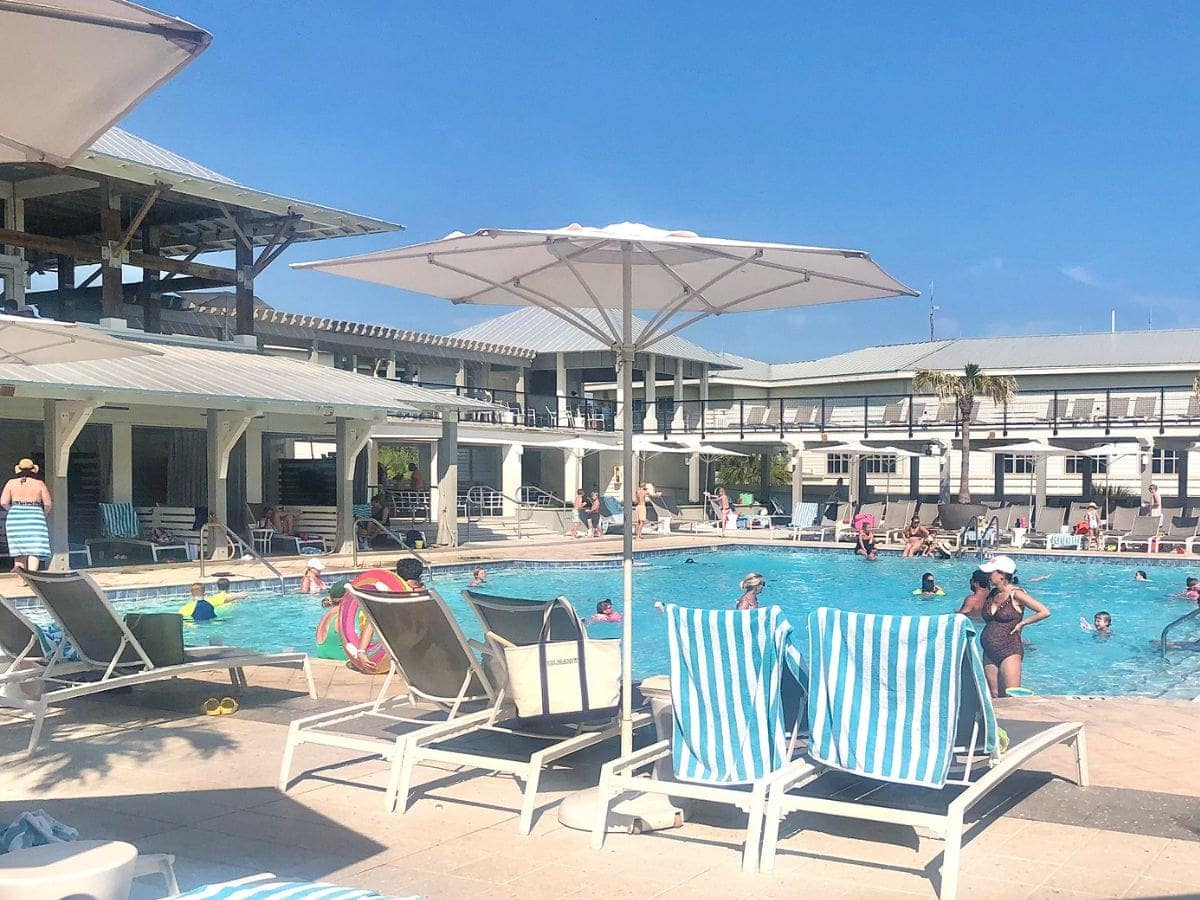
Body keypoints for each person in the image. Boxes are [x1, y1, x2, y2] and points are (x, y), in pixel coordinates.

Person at [977, 555, 1051, 698]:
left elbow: (1044, 611)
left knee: (1011, 696)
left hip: (1009, 650)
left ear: (1002, 574)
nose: (987, 575)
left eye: (991, 572)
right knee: (994, 695)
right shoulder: (992, 594)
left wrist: (1023, 623)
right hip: (989, 650)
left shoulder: (1016, 594)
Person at [0, 458, 52, 571]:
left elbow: (3, 502)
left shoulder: (11, 483)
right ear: (33, 470)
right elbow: (48, 504)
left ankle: (20, 578)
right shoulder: (39, 484)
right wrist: (43, 515)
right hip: (35, 515)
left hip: (16, 516)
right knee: (35, 548)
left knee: (18, 549)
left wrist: (13, 510)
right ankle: (32, 575)